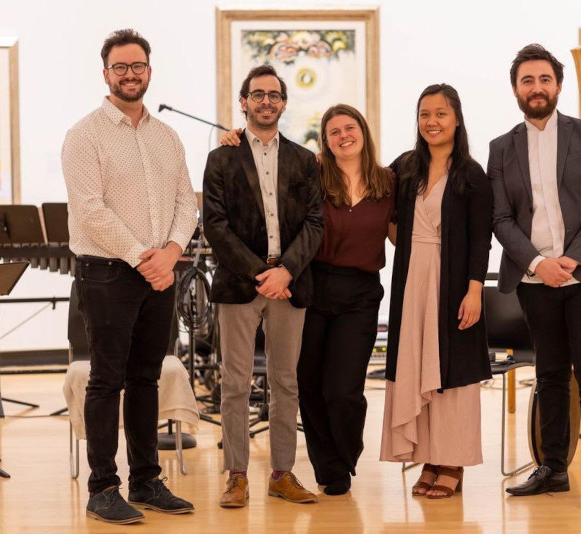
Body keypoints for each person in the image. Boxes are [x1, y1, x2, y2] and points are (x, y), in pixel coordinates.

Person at [219, 103, 395, 496]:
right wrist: (237, 138)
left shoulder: (388, 181)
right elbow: (268, 169)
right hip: (313, 285)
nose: (344, 136)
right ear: (325, 141)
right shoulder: (312, 172)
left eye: (350, 128)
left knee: (344, 390)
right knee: (308, 384)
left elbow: (402, 232)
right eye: (334, 132)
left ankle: (345, 453)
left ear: (363, 132)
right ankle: (329, 469)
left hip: (361, 294)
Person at [62, 28, 197, 524]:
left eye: (137, 65)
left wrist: (173, 252)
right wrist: (146, 258)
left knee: (147, 377)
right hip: (106, 273)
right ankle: (102, 488)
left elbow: (186, 202)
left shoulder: (167, 137)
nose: (130, 73)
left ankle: (145, 480)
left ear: (149, 71)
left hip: (159, 272)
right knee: (106, 380)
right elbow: (90, 210)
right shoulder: (84, 135)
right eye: (120, 67)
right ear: (106, 74)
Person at [488, 43, 581, 507]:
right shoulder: (501, 148)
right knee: (548, 375)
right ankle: (553, 467)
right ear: (515, 89)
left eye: (545, 79)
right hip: (534, 279)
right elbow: (500, 217)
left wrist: (572, 259)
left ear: (558, 86)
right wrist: (537, 263)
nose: (537, 87)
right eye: (527, 80)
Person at [203, 65, 323, 508]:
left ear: (284, 103)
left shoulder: (304, 160)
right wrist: (261, 274)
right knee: (235, 382)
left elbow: (315, 223)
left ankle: (282, 474)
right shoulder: (221, 159)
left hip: (290, 283)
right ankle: (236, 476)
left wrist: (286, 271)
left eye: (274, 95)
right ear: (244, 102)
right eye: (258, 94)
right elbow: (215, 226)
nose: (266, 101)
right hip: (240, 282)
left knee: (285, 382)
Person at [380, 84, 493, 499]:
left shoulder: (472, 173)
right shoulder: (405, 166)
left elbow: (481, 238)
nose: (432, 122)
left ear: (457, 119)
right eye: (425, 114)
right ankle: (428, 457)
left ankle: (452, 461)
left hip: (455, 283)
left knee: (451, 371)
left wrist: (475, 291)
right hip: (412, 281)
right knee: (416, 364)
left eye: (441, 114)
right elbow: (366, 188)